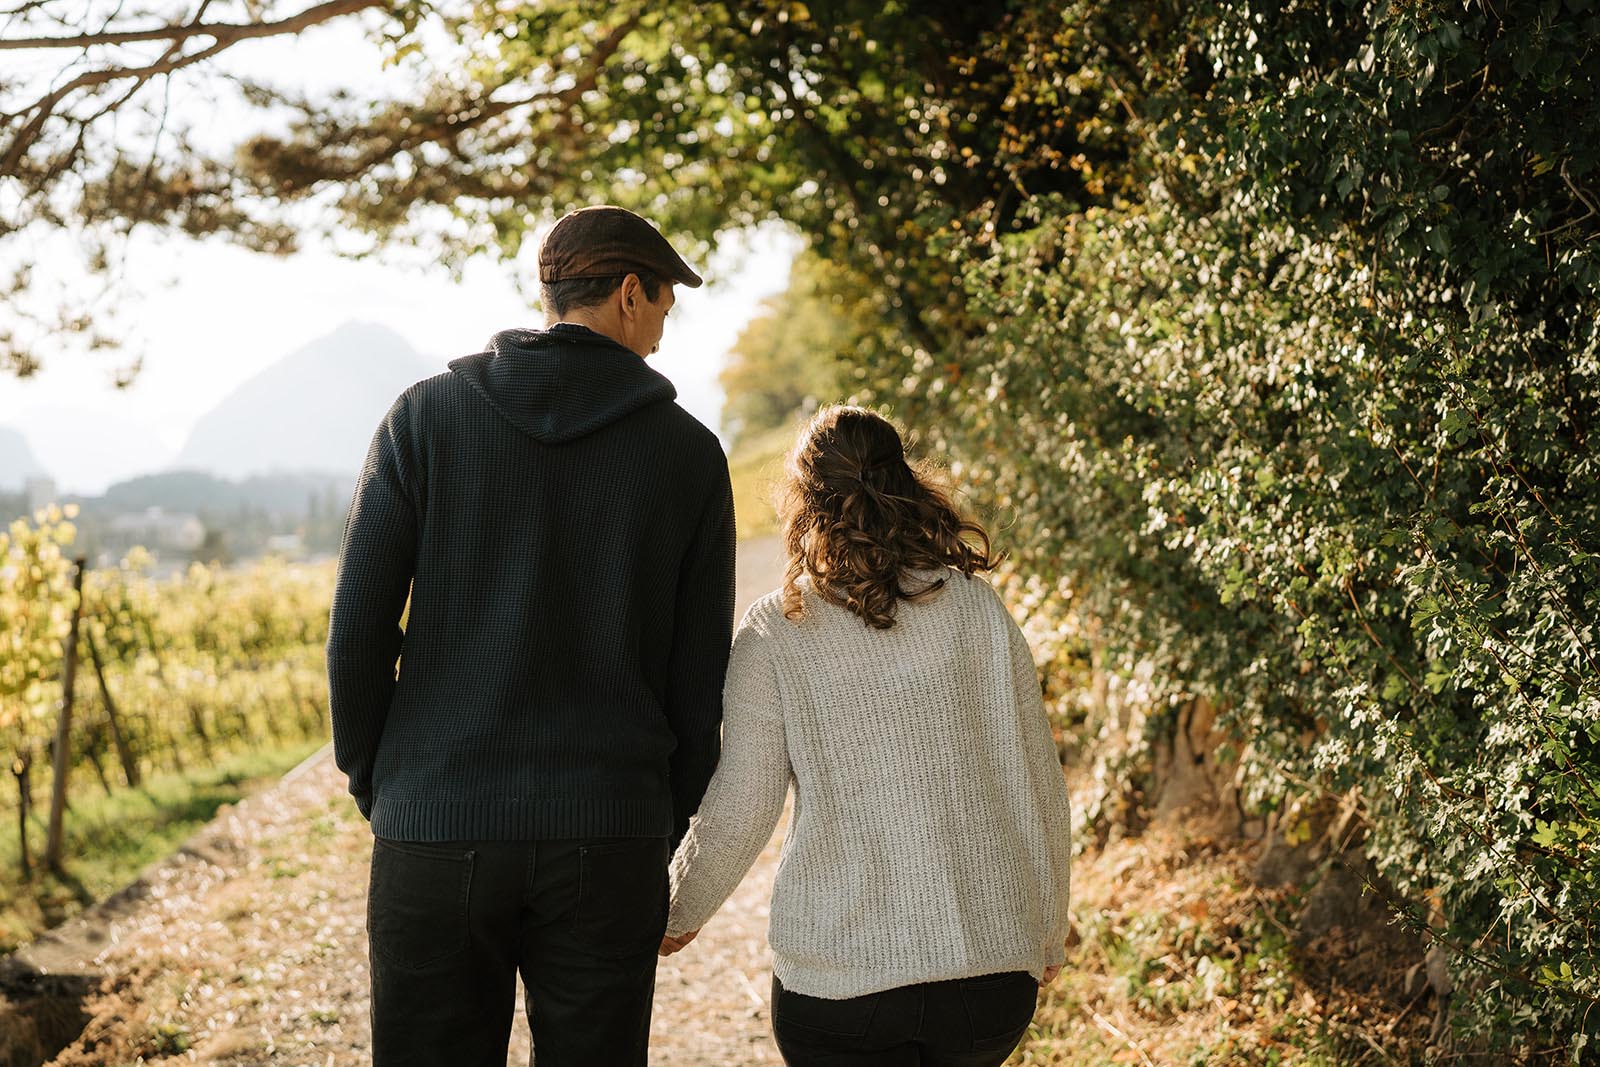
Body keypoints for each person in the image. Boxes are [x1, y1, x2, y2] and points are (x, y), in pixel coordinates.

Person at [326, 205, 736, 1067]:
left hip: (433, 822)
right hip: (611, 834)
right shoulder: (691, 455)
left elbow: (358, 631)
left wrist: (385, 783)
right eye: (664, 305)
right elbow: (699, 684)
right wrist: (659, 818)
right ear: (630, 293)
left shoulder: (423, 421)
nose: (664, 332)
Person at [660, 404, 1072, 1067]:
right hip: (989, 976)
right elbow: (1040, 783)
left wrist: (678, 907)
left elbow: (742, 805)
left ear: (803, 498)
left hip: (841, 985)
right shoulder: (974, 605)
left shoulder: (776, 628)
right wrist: (1047, 931)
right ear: (905, 482)